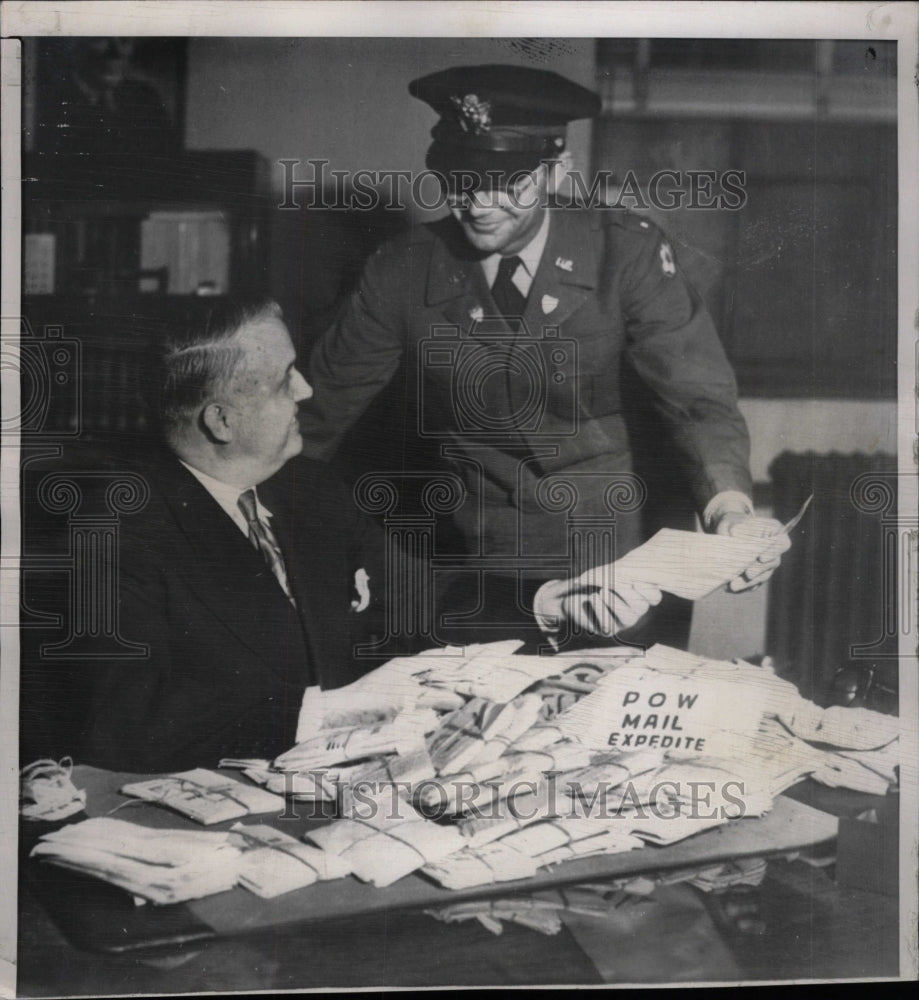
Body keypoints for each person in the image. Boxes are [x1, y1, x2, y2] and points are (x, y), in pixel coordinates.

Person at [300, 64, 786, 647]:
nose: (479, 203)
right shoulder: (401, 270)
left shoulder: (624, 253)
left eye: (507, 180)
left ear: (557, 171)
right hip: (480, 562)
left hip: (622, 563)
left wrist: (728, 509)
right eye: (459, 178)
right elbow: (314, 412)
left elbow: (697, 400)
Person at [21, 298, 389, 773]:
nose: (306, 389)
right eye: (285, 380)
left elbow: (416, 598)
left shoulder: (312, 489)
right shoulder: (110, 535)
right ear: (221, 421)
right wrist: (318, 715)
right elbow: (124, 719)